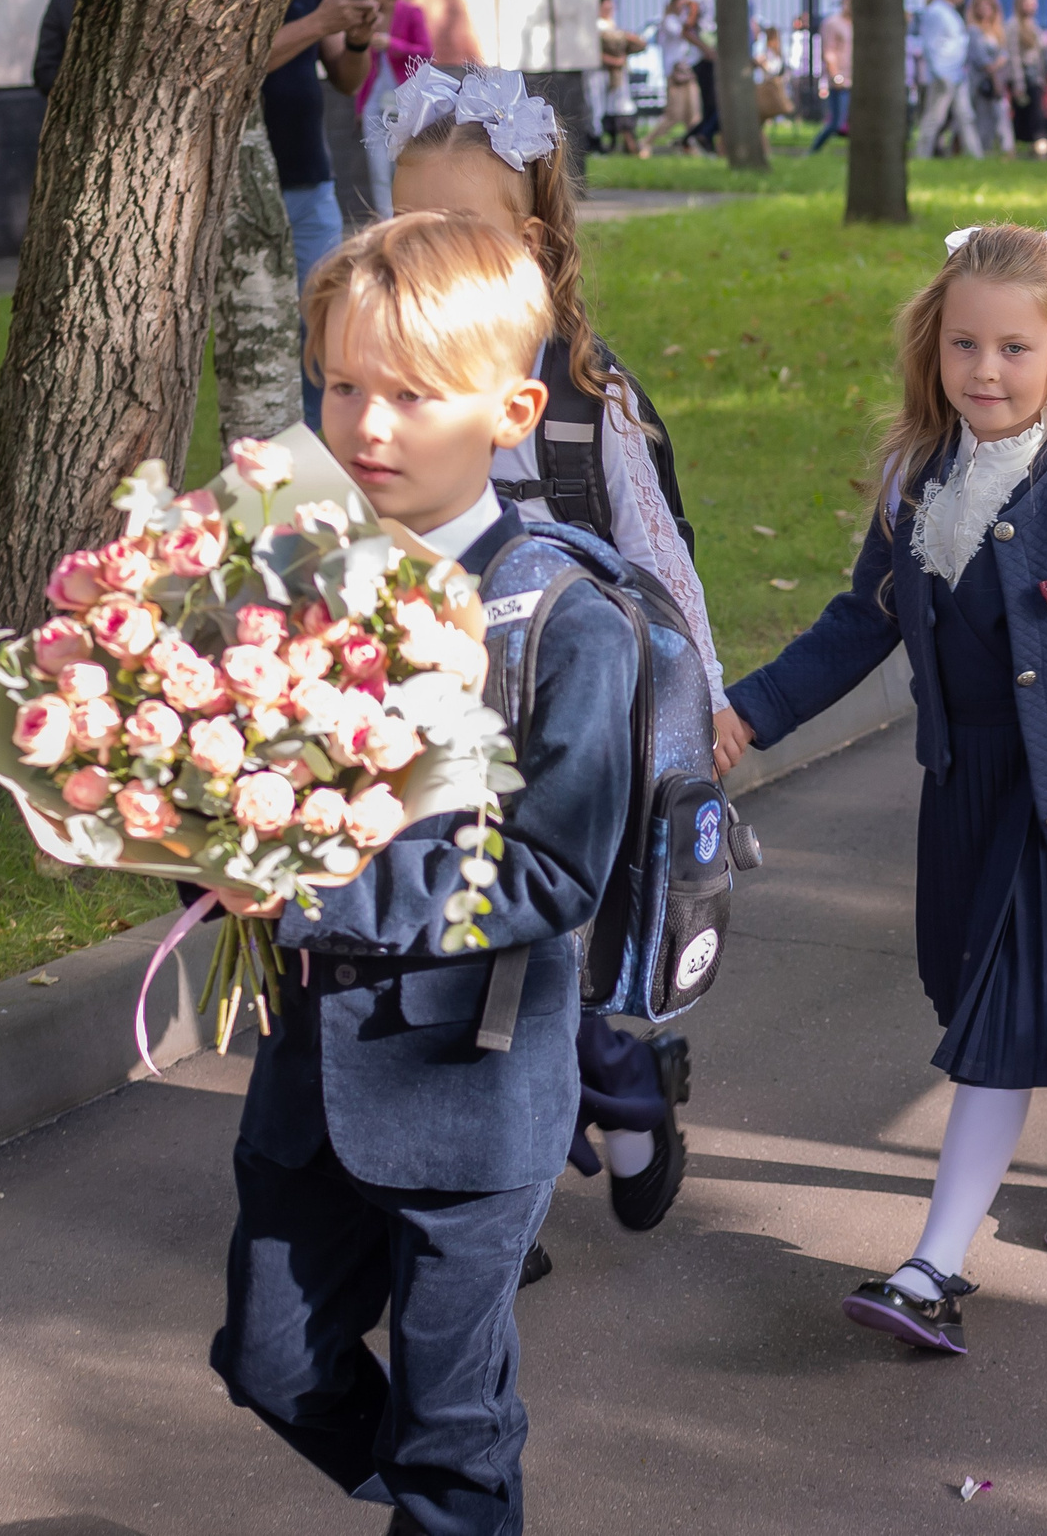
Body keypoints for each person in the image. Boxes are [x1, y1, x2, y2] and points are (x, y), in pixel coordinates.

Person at [209, 212, 638, 1536]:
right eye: (341, 384)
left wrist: (315, 886)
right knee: (272, 1360)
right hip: (307, 1089)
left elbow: (552, 866)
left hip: (473, 1086)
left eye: (409, 392)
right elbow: (233, 778)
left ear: (509, 411)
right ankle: (459, 1497)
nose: (365, 423)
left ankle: (458, 1500)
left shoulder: (563, 613)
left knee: (456, 1427)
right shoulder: (298, 571)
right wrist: (192, 839)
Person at [720, 224, 1047, 1355]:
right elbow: (861, 621)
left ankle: (934, 1266)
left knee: (997, 1028)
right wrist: (749, 712)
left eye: (1011, 349)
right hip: (962, 791)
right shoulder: (915, 479)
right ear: (931, 350)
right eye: (962, 347)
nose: (983, 371)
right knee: (987, 996)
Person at [382, 68, 725, 1280]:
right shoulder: (381, 386)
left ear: (527, 244)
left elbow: (659, 560)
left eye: (459, 233)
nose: (425, 259)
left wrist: (708, 705)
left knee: (543, 965)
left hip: (571, 728)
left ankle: (624, 1088)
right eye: (403, 231)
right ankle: (486, 1195)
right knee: (446, 950)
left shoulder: (583, 399)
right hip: (430, 724)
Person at [262, 0, 376, 426]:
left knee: (325, 318)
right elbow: (229, 65)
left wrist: (356, 39)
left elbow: (347, 79)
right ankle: (265, 444)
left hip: (311, 179)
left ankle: (316, 439)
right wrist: (316, 22)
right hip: (245, 187)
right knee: (261, 325)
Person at [353, 0, 434, 215]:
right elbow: (361, 66)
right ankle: (386, 224)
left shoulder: (411, 13)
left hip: (406, 99)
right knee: (377, 168)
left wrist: (392, 44)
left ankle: (409, 218)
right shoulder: (367, 17)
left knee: (405, 164)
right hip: (374, 102)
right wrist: (360, 105)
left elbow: (426, 53)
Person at [916, 0, 979, 159]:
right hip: (944, 74)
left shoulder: (949, 11)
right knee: (934, 117)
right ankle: (922, 154)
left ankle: (975, 155)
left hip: (957, 73)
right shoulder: (936, 12)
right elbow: (930, 44)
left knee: (966, 116)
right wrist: (939, 72)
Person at [595, 0, 644, 158]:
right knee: (606, 107)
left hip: (618, 75)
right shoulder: (599, 26)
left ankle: (623, 144)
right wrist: (614, 61)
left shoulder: (612, 25)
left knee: (620, 106)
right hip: (604, 74)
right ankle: (605, 142)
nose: (609, 9)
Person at [965, 0, 1012, 158]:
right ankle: (983, 148)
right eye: (981, 7)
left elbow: (1005, 53)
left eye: (988, 7)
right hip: (982, 81)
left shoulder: (998, 30)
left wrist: (999, 64)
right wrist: (994, 67)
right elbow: (980, 58)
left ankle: (1005, 148)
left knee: (1000, 114)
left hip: (997, 78)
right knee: (983, 116)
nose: (985, 10)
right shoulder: (974, 31)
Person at [1009, 0, 1047, 158]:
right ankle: (1032, 151)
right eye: (1027, 2)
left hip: (1036, 79)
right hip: (1025, 79)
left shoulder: (1034, 26)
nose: (1032, 6)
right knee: (1029, 118)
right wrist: (1018, 83)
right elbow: (1013, 56)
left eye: (1034, 2)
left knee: (1037, 116)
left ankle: (1038, 151)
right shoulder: (1014, 26)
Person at [657, 0, 702, 151]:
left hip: (688, 71)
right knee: (674, 115)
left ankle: (689, 145)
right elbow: (685, 31)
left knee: (694, 114)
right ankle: (647, 142)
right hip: (675, 74)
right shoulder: (669, 21)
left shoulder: (681, 19)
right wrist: (693, 10)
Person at [812, 0, 854, 155]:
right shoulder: (832, 23)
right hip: (840, 80)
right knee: (836, 123)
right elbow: (829, 52)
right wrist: (836, 77)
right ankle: (813, 151)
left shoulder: (855, 23)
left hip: (852, 78)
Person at [688, 0, 723, 152]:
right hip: (703, 58)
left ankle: (703, 140)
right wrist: (706, 50)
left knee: (714, 106)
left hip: (715, 55)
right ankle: (696, 138)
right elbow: (688, 28)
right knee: (713, 106)